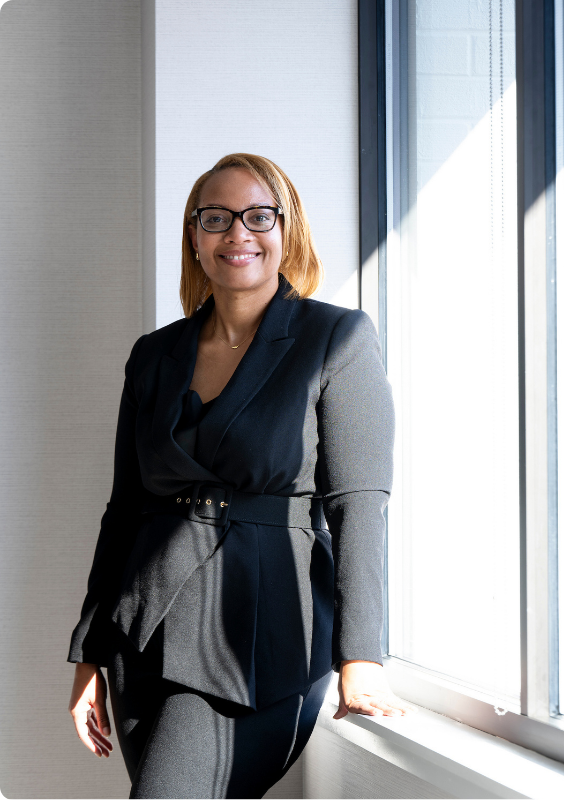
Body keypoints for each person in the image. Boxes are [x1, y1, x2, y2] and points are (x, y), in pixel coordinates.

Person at [67, 153, 411, 799]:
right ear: (194, 237)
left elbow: (359, 503)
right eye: (217, 218)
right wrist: (88, 650)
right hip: (143, 632)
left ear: (287, 229)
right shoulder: (154, 354)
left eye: (258, 216)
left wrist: (361, 655)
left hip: (257, 634)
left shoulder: (335, 336)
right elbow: (124, 507)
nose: (237, 233)